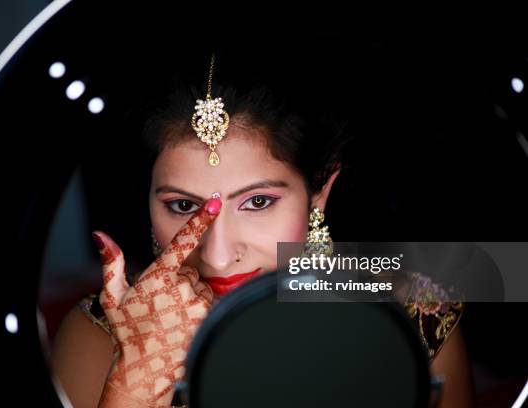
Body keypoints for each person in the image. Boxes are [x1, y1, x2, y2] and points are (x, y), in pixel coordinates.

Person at [50, 55, 474, 408]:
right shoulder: (104, 336)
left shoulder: (412, 315)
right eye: (183, 206)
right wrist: (133, 386)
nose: (216, 254)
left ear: (319, 192)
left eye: (257, 203)